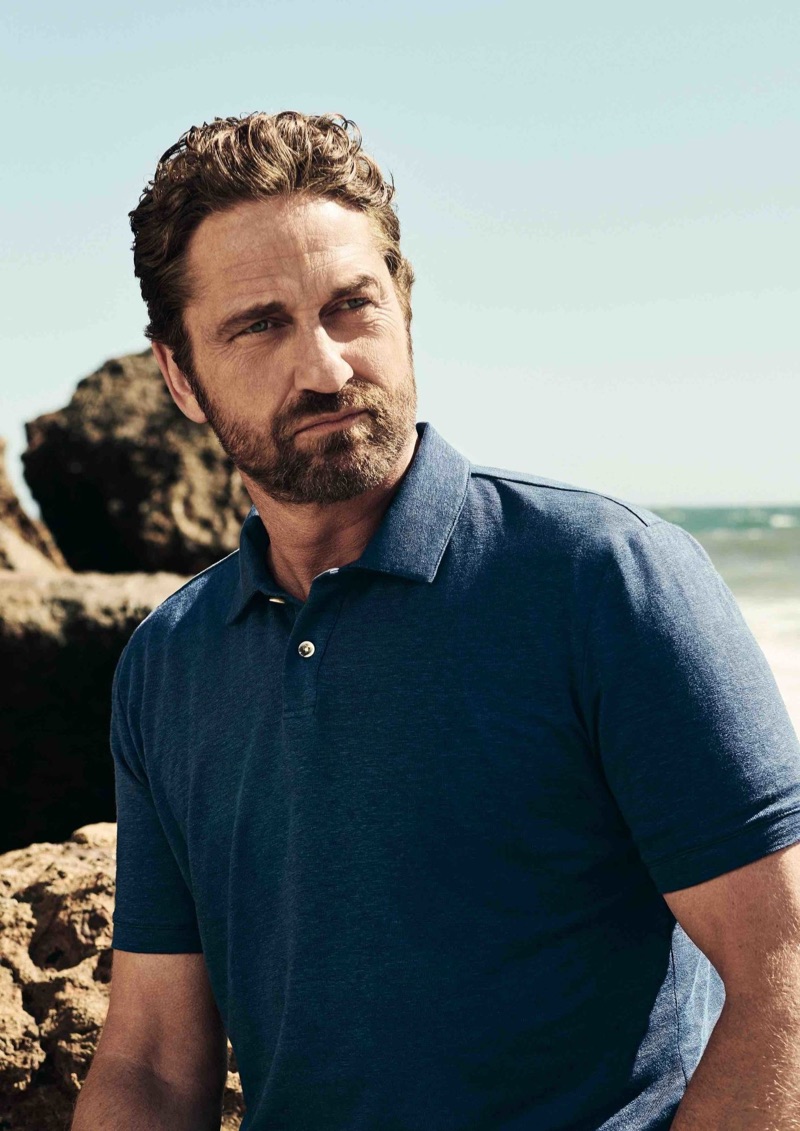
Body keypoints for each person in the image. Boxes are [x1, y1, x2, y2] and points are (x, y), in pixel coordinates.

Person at [72, 112, 800, 1131]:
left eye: (351, 307)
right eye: (261, 325)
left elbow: (783, 970)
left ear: (404, 306)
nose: (327, 369)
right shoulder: (169, 662)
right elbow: (151, 1062)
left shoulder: (602, 577)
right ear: (179, 376)